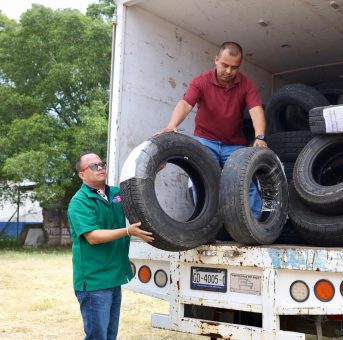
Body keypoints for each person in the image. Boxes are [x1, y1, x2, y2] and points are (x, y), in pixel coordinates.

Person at [157, 41, 268, 218]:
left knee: (244, 181)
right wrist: (172, 125)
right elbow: (186, 104)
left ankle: (255, 224)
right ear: (216, 60)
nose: (229, 71)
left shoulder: (246, 84)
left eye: (234, 67)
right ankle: (204, 223)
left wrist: (260, 136)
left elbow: (256, 109)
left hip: (234, 144)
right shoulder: (201, 81)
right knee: (202, 179)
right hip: (205, 140)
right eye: (225, 65)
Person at [68, 151, 154, 340]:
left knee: (109, 335)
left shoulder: (116, 193)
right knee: (97, 336)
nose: (100, 168)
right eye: (93, 166)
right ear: (82, 174)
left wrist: (157, 166)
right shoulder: (79, 202)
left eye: (102, 164)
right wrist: (127, 231)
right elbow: (93, 236)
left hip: (114, 277)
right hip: (94, 282)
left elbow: (139, 193)